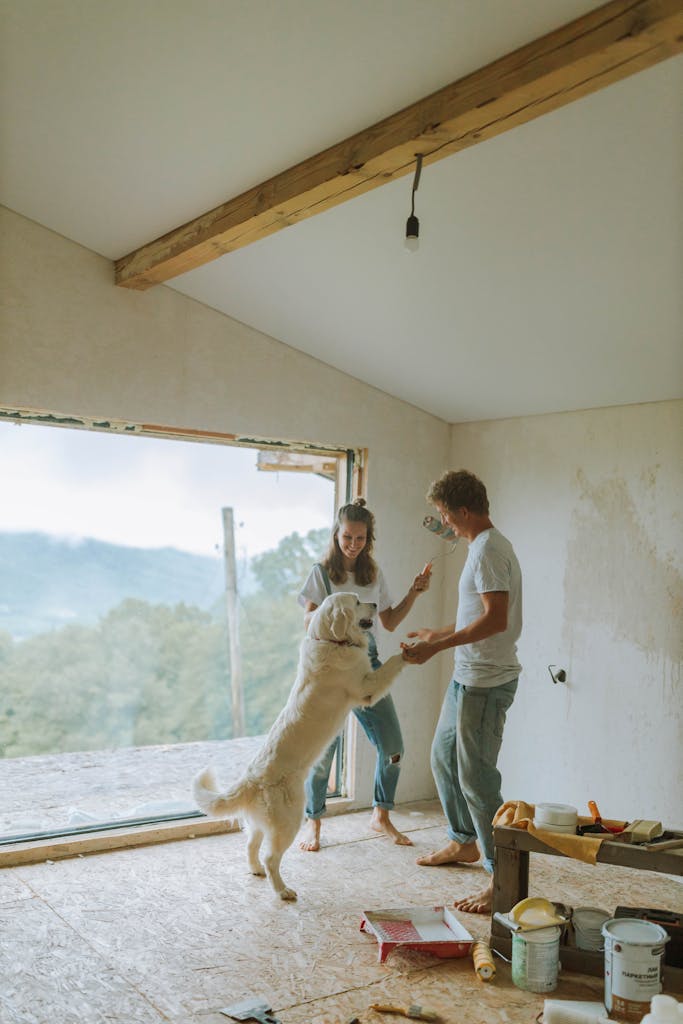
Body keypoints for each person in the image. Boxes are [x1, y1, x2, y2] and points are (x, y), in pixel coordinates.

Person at [401, 469, 522, 915]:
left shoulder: (489, 549)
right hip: (466, 677)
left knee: (478, 780)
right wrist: (439, 633)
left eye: (445, 514)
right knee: (442, 757)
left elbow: (496, 620)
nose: (444, 522)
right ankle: (463, 841)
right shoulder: (481, 547)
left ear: (464, 511)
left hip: (486, 683)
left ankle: (502, 877)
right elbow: (477, 614)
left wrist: (436, 648)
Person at [298, 498, 431, 852]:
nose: (353, 544)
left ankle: (380, 816)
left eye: (360, 538)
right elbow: (308, 621)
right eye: (347, 537)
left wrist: (414, 593)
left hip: (366, 665)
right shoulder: (321, 573)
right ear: (336, 534)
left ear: (368, 538)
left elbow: (390, 622)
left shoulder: (373, 574)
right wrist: (333, 611)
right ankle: (313, 822)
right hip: (330, 670)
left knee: (393, 748)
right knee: (322, 752)